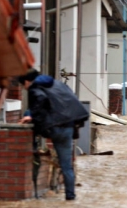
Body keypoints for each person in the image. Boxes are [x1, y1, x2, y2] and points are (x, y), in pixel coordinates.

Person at [17, 69, 89, 201]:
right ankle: (70, 196)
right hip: (68, 127)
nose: (24, 88)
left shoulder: (35, 88)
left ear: (27, 82)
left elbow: (41, 98)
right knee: (66, 166)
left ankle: (34, 149)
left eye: (23, 85)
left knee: (28, 113)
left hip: (54, 128)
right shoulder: (58, 84)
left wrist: (32, 115)